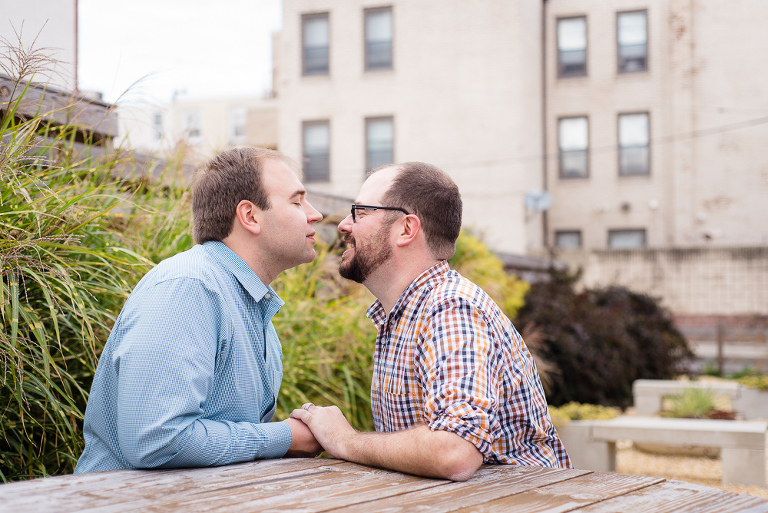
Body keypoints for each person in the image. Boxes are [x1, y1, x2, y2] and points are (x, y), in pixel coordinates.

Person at [291, 162, 571, 481]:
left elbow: (455, 452)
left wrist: (345, 440)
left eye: (360, 213)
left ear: (407, 229)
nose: (343, 225)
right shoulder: (405, 315)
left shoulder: (451, 307)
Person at [75, 148, 323, 473]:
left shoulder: (250, 302)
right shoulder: (189, 287)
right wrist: (285, 437)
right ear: (250, 216)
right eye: (296, 201)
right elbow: (157, 440)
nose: (315, 214)